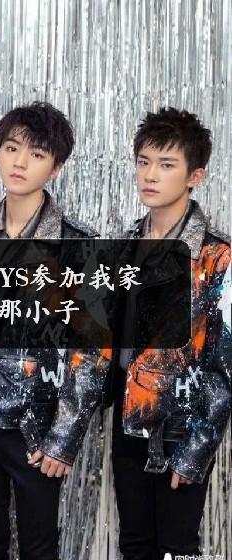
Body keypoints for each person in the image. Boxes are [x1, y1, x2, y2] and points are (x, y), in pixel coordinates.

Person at [0, 101, 106, 560]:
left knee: (38, 544)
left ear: (56, 167)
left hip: (38, 418)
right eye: (12, 148)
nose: (20, 162)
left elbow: (91, 353)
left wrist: (64, 439)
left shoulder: (78, 245)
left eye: (36, 154)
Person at [109, 107, 231, 559]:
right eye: (143, 162)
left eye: (166, 164)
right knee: (134, 543)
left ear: (195, 176)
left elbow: (225, 369)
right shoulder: (122, 247)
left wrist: (197, 448)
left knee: (177, 547)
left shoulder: (218, 257)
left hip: (184, 425)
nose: (150, 175)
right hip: (128, 418)